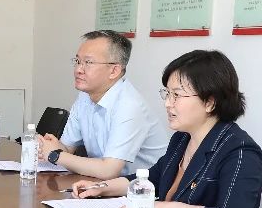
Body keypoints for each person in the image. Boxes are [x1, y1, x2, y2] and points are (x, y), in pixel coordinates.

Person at [72, 49, 262, 208]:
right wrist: (101, 188)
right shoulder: (182, 139)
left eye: (177, 95)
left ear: (210, 102)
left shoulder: (239, 151)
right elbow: (151, 179)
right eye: (167, 93)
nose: (167, 103)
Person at [38, 30, 170, 179]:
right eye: (78, 61)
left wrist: (56, 155)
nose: (78, 70)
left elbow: (109, 170)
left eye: (88, 62)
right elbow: (67, 149)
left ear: (114, 71)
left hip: (143, 188)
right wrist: (47, 146)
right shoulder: (84, 97)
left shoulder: (129, 106)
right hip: (105, 184)